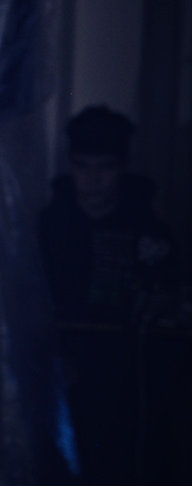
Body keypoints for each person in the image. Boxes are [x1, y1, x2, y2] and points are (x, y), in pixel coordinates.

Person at [38, 104, 178, 323]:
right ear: (70, 165)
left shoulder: (151, 235)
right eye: (82, 166)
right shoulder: (46, 230)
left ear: (124, 166)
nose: (93, 179)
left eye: (105, 167)